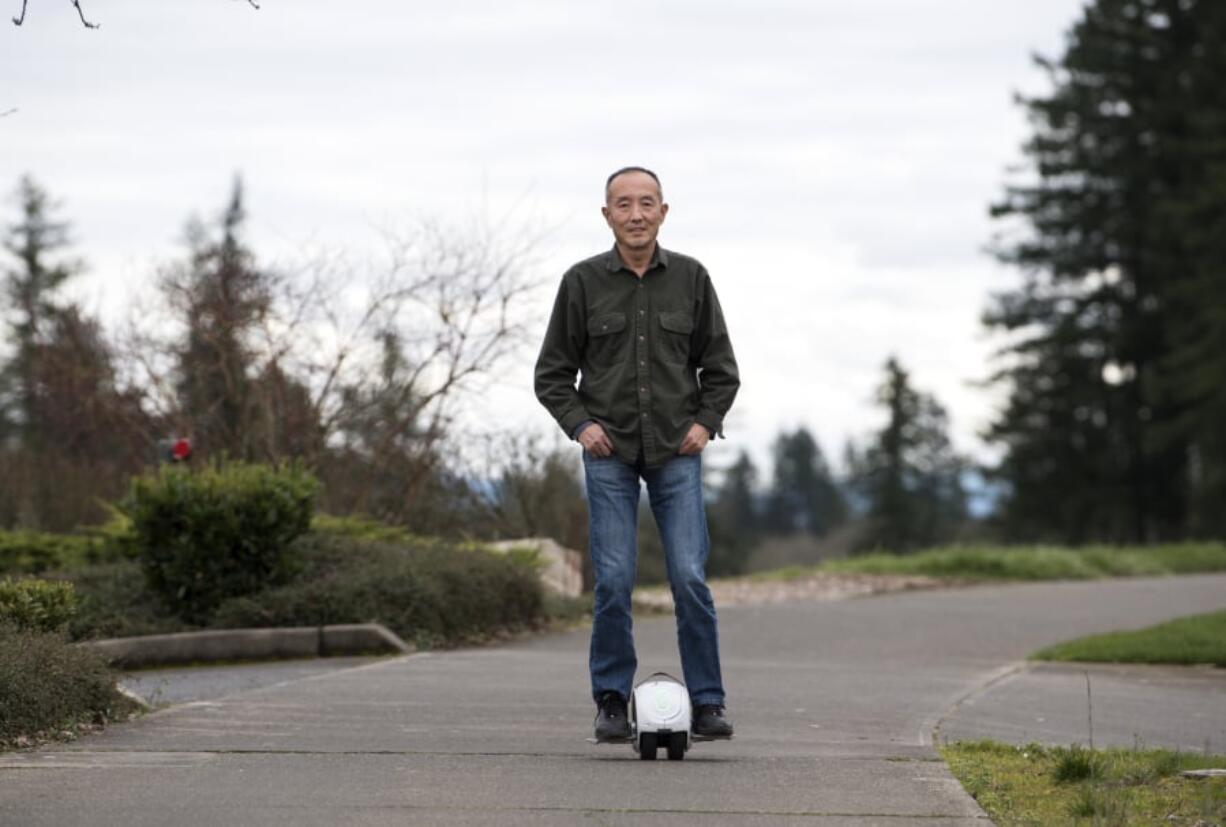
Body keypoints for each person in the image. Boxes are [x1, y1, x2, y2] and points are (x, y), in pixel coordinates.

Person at [533, 166, 740, 742]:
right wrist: (580, 427)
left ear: (664, 211)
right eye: (623, 204)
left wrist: (704, 425)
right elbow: (552, 375)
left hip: (678, 449)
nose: (636, 214)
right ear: (607, 215)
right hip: (609, 453)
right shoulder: (580, 283)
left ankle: (707, 703)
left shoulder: (693, 279)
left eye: (646, 203)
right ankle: (608, 699)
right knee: (615, 581)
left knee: (690, 578)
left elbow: (721, 372)